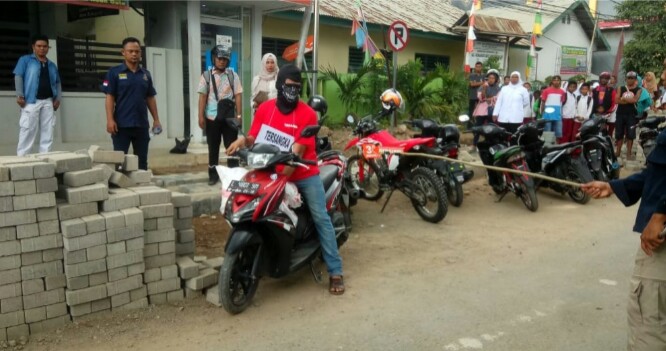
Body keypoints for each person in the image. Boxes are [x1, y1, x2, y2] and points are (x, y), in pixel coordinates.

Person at [225, 64, 345, 295]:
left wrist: (280, 180)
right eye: (289, 86)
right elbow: (254, 136)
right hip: (269, 170)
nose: (293, 91)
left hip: (302, 173)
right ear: (279, 85)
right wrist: (243, 142)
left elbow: (297, 152)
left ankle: (335, 271)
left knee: (321, 217)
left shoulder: (308, 114)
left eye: (298, 88)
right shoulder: (266, 109)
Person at [581, 128, 666, 351]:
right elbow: (658, 174)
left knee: (650, 325)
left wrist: (660, 215)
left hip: (659, 241)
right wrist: (614, 186)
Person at [103, 37, 160, 170]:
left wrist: (156, 120)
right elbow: (109, 97)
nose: (134, 54)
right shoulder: (114, 73)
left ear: (140, 53)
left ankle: (141, 188)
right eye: (130, 51)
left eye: (137, 51)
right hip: (121, 125)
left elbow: (150, 98)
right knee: (119, 162)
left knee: (142, 163)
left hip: (141, 125)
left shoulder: (146, 75)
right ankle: (122, 189)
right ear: (123, 52)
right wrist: (110, 120)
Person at [197, 45, 243, 185]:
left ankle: (233, 174)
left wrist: (239, 116)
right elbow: (202, 97)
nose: (222, 61)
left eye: (225, 59)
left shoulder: (233, 75)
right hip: (211, 117)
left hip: (229, 118)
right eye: (219, 58)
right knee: (213, 146)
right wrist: (200, 116)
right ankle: (213, 174)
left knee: (232, 147)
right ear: (213, 59)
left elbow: (238, 95)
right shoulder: (206, 76)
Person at [13, 34, 62, 156]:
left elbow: (57, 83)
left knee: (48, 131)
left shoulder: (51, 65)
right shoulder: (25, 60)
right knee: (28, 129)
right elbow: (18, 76)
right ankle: (22, 159)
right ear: (33, 47)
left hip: (48, 101)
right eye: (39, 46)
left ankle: (45, 158)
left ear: (48, 48)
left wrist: (58, 99)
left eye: (45, 46)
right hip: (30, 101)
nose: (42, 49)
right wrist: (20, 95)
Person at [615, 71, 643, 160]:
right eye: (629, 78)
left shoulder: (639, 89)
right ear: (626, 79)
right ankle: (618, 152)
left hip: (631, 114)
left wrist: (623, 99)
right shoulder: (620, 87)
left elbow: (635, 100)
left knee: (630, 134)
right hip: (620, 113)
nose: (630, 80)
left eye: (632, 78)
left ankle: (629, 153)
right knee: (619, 133)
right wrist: (628, 100)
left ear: (635, 79)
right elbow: (616, 100)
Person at [472, 70, 500, 149]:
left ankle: (489, 145)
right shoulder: (483, 86)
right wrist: (484, 89)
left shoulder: (498, 88)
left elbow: (498, 98)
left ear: (496, 79)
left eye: (493, 78)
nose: (491, 79)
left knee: (491, 128)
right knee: (477, 127)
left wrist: (491, 99)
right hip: (481, 110)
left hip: (492, 110)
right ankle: (474, 144)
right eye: (489, 78)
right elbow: (481, 98)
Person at [541, 75, 566, 142]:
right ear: (552, 81)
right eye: (554, 80)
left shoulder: (562, 92)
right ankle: (546, 147)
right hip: (547, 115)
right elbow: (543, 103)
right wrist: (542, 113)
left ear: (560, 81)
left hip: (557, 115)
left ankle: (556, 148)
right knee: (547, 133)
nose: (556, 82)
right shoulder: (546, 91)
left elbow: (561, 103)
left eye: (558, 80)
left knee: (558, 134)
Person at [592, 72, 617, 139]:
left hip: (605, 116)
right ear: (599, 79)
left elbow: (614, 103)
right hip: (595, 114)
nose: (604, 80)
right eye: (602, 78)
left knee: (603, 133)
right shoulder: (594, 90)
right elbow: (591, 102)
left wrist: (608, 112)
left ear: (608, 80)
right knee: (594, 132)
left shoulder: (612, 90)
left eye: (606, 78)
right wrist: (594, 110)